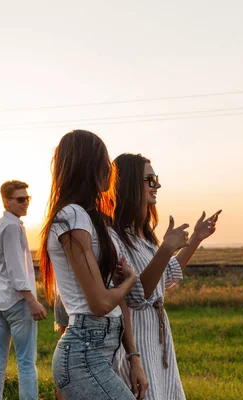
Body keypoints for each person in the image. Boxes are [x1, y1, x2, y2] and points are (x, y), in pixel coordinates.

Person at [38, 130, 148, 400]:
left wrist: (133, 358)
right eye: (104, 161)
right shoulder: (71, 216)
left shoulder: (90, 219)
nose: (110, 171)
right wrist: (130, 282)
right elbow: (100, 303)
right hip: (83, 356)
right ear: (88, 166)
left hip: (99, 351)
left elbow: (111, 298)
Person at [109, 153, 221, 400]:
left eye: (155, 178)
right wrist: (167, 248)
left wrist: (196, 240)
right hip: (135, 338)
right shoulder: (113, 237)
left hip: (158, 336)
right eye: (150, 179)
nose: (157, 185)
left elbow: (165, 276)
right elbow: (137, 295)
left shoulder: (143, 236)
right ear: (127, 184)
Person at [0, 180, 47, 400]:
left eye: (27, 198)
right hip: (17, 303)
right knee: (27, 364)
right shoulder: (11, 227)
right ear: (6, 201)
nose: (26, 203)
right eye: (20, 199)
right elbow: (15, 269)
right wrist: (32, 301)